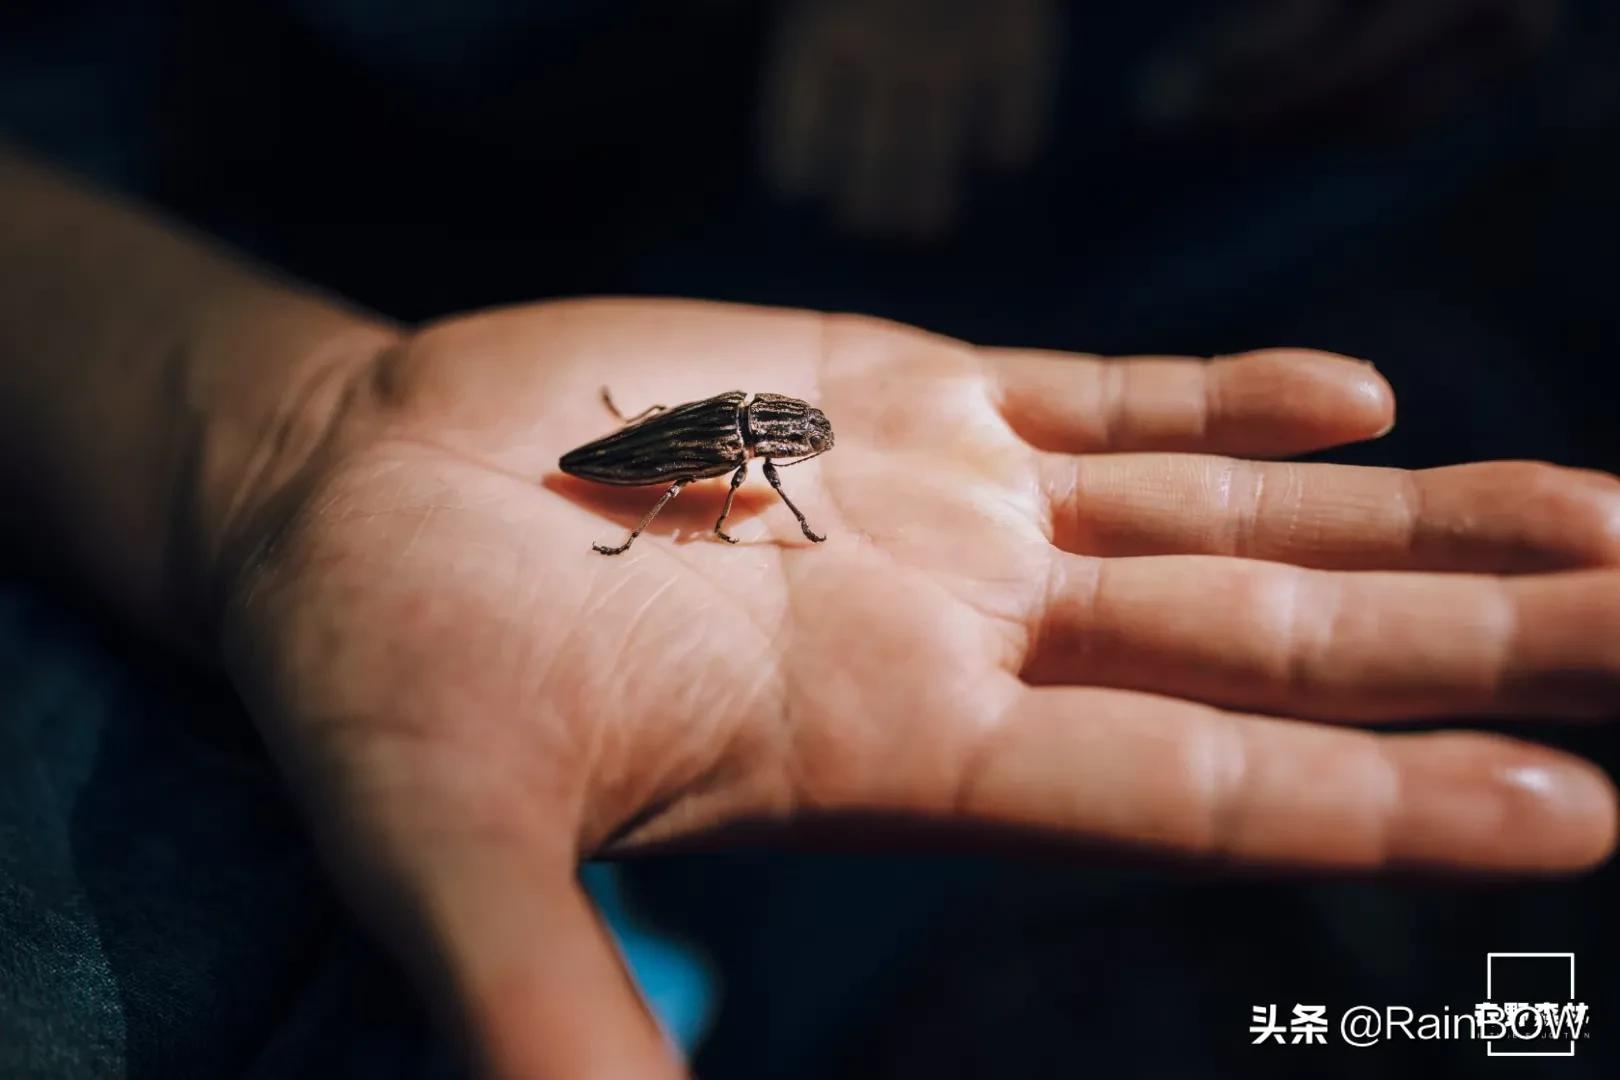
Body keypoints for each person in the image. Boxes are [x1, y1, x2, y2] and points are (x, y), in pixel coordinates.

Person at [2, 140, 1618, 1078]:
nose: (781, 455)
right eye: (783, 445)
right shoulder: (735, 453)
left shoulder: (751, 445)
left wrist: (300, 422)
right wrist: (314, 434)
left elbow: (735, 458)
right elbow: (709, 465)